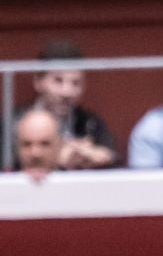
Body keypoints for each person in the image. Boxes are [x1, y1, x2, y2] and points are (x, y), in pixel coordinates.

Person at [15, 40, 117, 168]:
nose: (67, 92)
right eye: (58, 81)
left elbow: (112, 158)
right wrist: (55, 158)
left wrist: (92, 156)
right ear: (38, 82)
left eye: (76, 83)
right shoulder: (14, 123)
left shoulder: (89, 122)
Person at [10, 108, 62, 182]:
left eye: (45, 144)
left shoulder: (79, 182)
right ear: (17, 148)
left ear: (59, 146)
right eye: (27, 145)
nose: (36, 154)